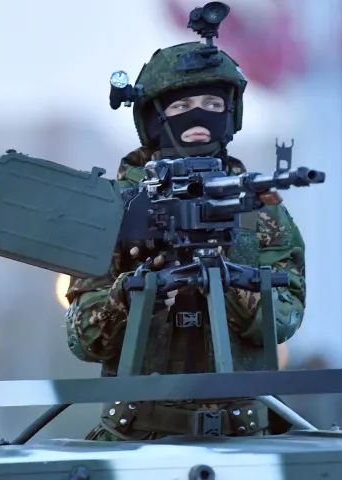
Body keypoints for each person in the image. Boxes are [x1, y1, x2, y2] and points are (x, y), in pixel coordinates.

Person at [64, 41, 307, 441]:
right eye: (181, 106)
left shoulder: (257, 209)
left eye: (212, 104)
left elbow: (284, 319)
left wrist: (225, 278)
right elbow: (83, 339)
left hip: (244, 437)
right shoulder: (114, 208)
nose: (199, 115)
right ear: (154, 118)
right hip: (137, 436)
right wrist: (133, 297)